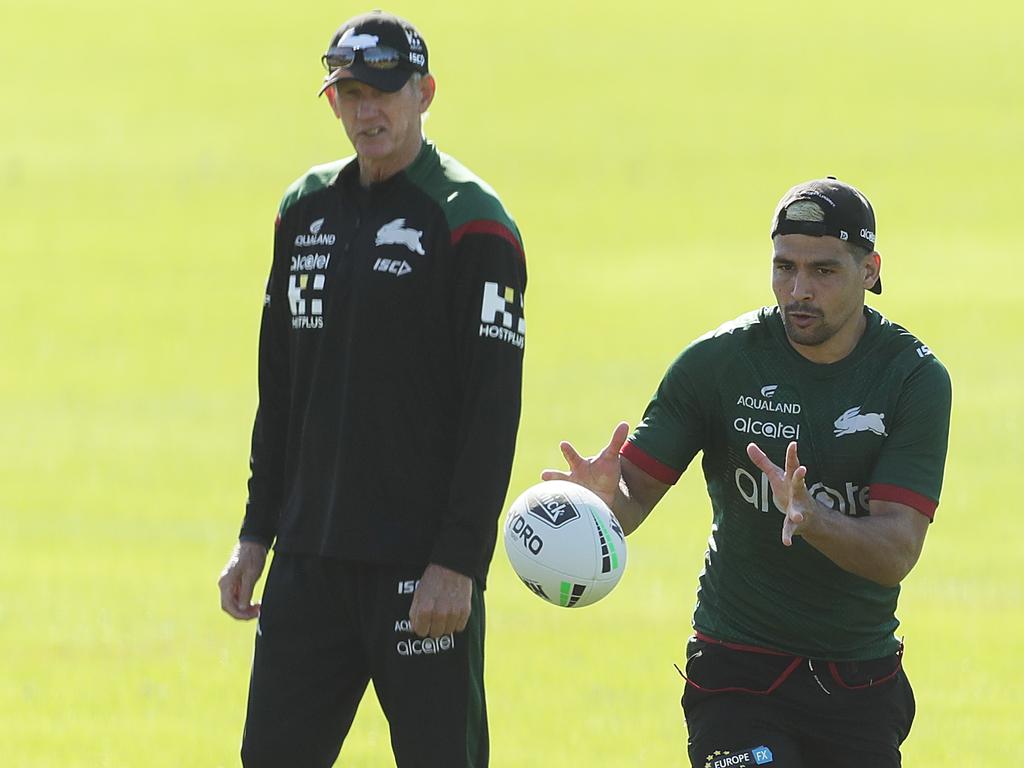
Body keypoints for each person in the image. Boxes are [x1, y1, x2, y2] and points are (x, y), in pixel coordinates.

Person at [543, 177, 951, 767]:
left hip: (857, 681)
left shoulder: (913, 380)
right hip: (735, 670)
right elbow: (633, 496)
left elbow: (895, 552)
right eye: (784, 267)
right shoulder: (718, 363)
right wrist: (600, 504)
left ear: (870, 270)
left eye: (824, 271)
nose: (799, 290)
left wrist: (814, 519)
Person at [216, 11, 526, 767]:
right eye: (349, 92)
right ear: (332, 101)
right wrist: (257, 532)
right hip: (309, 563)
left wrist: (458, 561)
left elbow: (494, 408)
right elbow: (280, 386)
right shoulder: (304, 211)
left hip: (419, 573)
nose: (367, 110)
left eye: (383, 91)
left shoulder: (473, 224)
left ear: (424, 92)